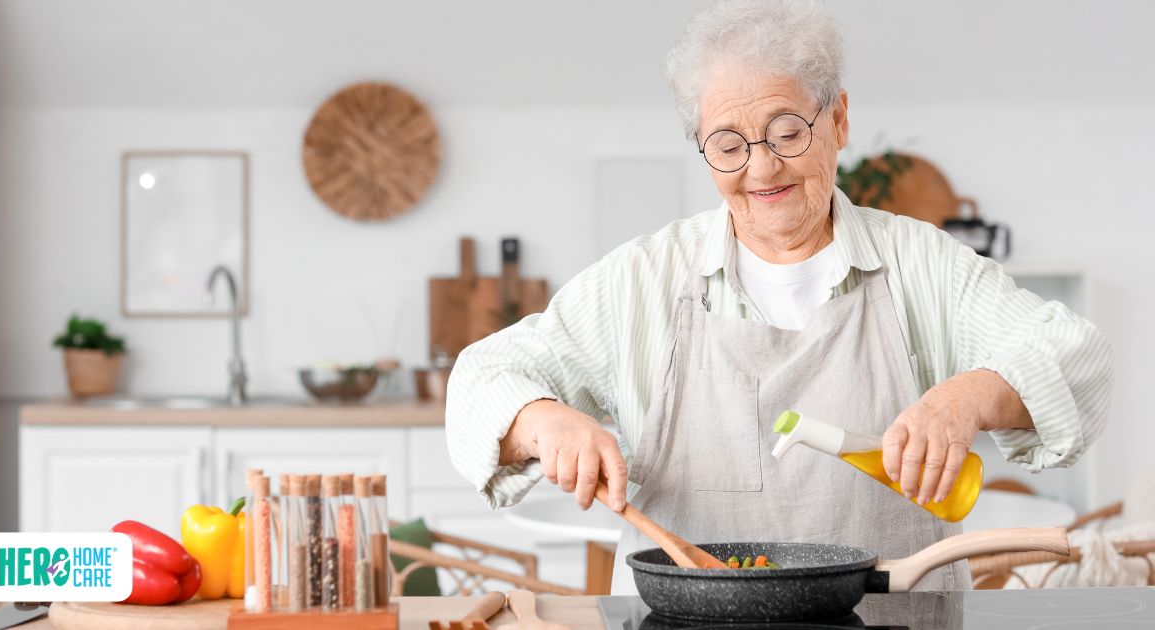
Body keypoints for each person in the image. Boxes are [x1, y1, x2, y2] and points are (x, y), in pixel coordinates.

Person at [445, 0, 1112, 594]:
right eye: (728, 145)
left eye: (787, 132)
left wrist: (966, 397)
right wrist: (544, 422)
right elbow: (484, 376)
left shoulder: (923, 265)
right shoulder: (640, 280)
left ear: (839, 120)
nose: (761, 169)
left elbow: (1077, 357)